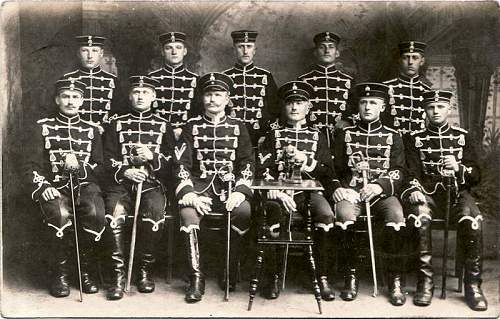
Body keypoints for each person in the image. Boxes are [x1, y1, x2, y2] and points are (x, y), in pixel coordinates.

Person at [401, 90, 488, 311]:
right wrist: (414, 189)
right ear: (425, 110)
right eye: (431, 107)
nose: (435, 111)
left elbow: (477, 174)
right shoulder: (414, 138)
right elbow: (410, 171)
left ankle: (473, 286)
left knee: (474, 221)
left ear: (449, 109)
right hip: (427, 193)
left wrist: (459, 167)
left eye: (440, 107)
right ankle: (425, 283)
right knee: (420, 218)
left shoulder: (463, 136)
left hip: (458, 193)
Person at [174, 72, 254, 303]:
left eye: (218, 95)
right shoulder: (191, 126)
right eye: (208, 94)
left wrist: (240, 191)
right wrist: (190, 194)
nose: (212, 100)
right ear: (202, 98)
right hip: (200, 188)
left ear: (228, 99)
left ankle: (228, 270)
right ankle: (196, 277)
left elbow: (247, 162)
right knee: (188, 214)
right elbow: (181, 164)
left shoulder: (239, 126)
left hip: (230, 187)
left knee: (243, 212)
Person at [26, 78, 106, 297]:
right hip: (54, 186)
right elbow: (30, 164)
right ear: (57, 100)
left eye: (75, 97)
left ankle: (83, 271)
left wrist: (80, 168)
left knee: (96, 213)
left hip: (85, 184)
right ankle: (59, 274)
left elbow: (100, 166)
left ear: (82, 101)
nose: (71, 102)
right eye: (65, 97)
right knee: (60, 214)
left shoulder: (92, 130)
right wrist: (43, 186)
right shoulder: (43, 127)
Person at [256, 81, 336, 301]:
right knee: (272, 213)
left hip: (309, 194)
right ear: (284, 106)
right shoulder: (273, 136)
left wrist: (307, 160)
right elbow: (261, 169)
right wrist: (276, 191)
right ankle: (272, 277)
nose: (294, 107)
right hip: (279, 193)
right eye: (290, 102)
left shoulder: (318, 136)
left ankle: (321, 276)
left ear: (308, 107)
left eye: (299, 103)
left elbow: (328, 171)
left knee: (326, 215)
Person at [332, 82, 407, 306]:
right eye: (363, 102)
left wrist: (380, 186)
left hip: (381, 194)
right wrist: (343, 188)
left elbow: (399, 170)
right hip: (352, 193)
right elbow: (333, 169)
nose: (367, 107)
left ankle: (395, 280)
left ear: (382, 107)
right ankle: (350, 276)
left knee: (396, 217)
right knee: (344, 216)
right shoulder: (345, 134)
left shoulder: (393, 136)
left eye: (373, 103)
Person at [102, 76, 176, 300]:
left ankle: (144, 271)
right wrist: (125, 170)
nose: (140, 96)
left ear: (153, 97)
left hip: (151, 183)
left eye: (145, 92)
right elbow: (106, 157)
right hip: (121, 183)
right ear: (129, 96)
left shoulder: (164, 125)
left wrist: (152, 157)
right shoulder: (117, 123)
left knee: (155, 212)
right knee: (113, 212)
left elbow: (173, 159)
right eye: (136, 92)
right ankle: (118, 275)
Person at [297, 31, 355, 148]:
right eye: (322, 47)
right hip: (312, 137)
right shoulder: (303, 80)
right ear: (315, 52)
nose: (327, 51)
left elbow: (355, 107)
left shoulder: (348, 81)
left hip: (339, 137)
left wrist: (347, 121)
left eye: (331, 47)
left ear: (337, 53)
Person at [222, 30, 279, 147]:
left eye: (249, 46)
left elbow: (276, 110)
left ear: (254, 50)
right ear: (234, 50)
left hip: (259, 137)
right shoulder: (224, 77)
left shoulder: (265, 76)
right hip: (230, 136)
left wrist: (267, 135)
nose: (245, 51)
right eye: (240, 47)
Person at [62, 35, 124, 126]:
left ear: (101, 53)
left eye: (94, 51)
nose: (90, 56)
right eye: (85, 51)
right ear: (78, 54)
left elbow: (119, 112)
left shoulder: (112, 81)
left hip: (103, 133)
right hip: (77, 133)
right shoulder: (67, 79)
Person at [149, 32, 199, 140]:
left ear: (185, 51)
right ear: (162, 52)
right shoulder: (151, 79)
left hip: (185, 135)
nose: (174, 52)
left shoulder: (195, 80)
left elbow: (198, 112)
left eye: (178, 47)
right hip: (156, 134)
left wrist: (184, 130)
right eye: (168, 48)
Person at [383, 41, 432, 135]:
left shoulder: (427, 91)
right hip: (393, 142)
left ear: (422, 61)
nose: (410, 62)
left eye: (415, 58)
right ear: (399, 60)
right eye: (406, 57)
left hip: (418, 143)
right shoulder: (386, 88)